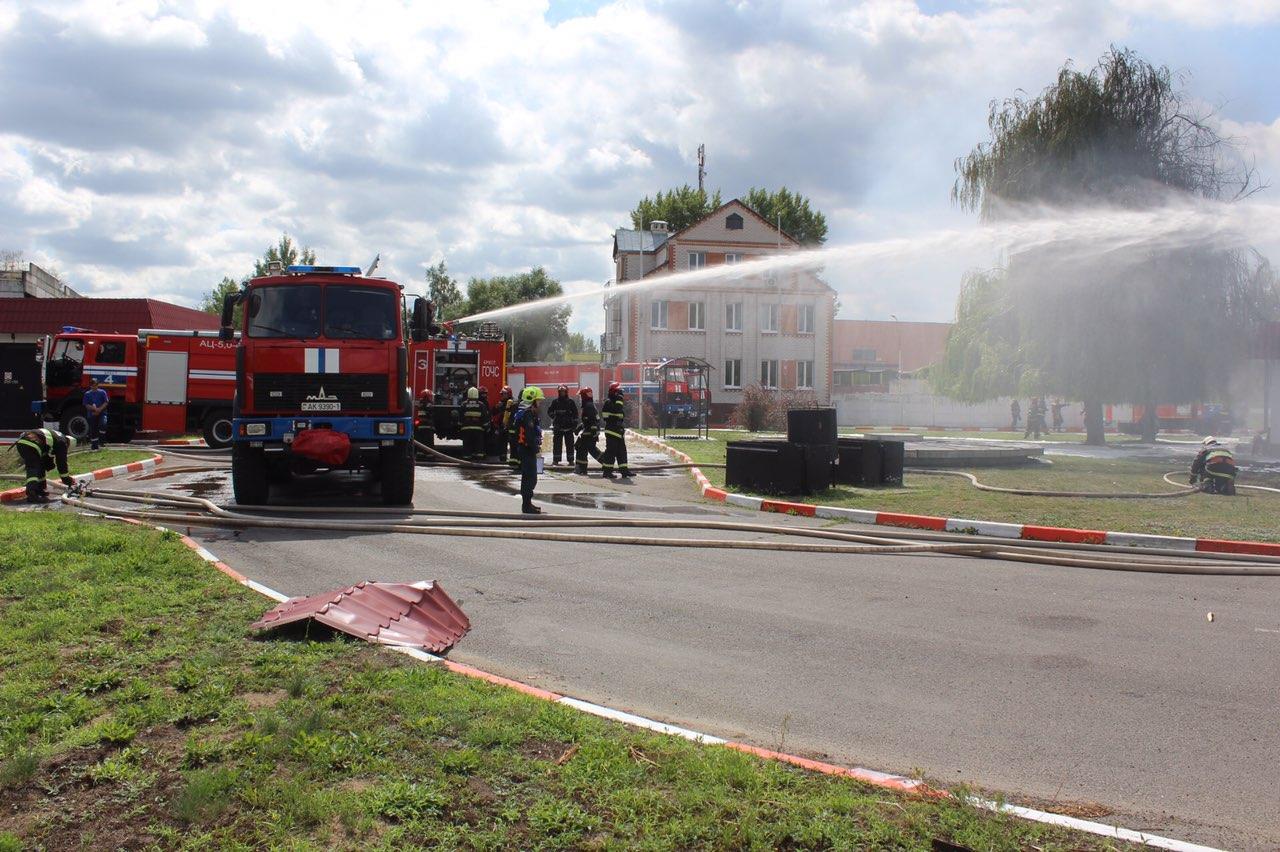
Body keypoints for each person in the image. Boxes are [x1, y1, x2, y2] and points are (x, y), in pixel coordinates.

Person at [14, 427, 76, 504]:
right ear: (68, 444)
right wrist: (67, 479)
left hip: (22, 442)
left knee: (40, 465)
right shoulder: (62, 442)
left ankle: (39, 490)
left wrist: (49, 464)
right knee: (33, 467)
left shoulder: (57, 437)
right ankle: (32, 494)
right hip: (32, 444)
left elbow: (46, 457)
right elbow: (61, 463)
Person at [514, 386, 545, 513]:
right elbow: (529, 434)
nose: (539, 404)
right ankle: (526, 506)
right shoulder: (527, 415)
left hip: (525, 449)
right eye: (538, 401)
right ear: (532, 401)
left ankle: (527, 504)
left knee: (529, 477)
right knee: (530, 478)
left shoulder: (525, 413)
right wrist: (536, 449)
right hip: (527, 449)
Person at [599, 381, 633, 479]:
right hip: (612, 431)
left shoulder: (617, 402)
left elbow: (620, 414)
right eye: (619, 391)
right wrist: (619, 400)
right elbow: (615, 411)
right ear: (615, 392)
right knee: (611, 452)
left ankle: (624, 471)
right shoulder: (609, 402)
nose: (621, 393)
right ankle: (607, 472)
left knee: (622, 452)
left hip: (618, 430)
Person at [546, 384, 579, 466]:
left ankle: (571, 461)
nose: (562, 393)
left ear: (566, 392)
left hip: (569, 427)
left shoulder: (571, 402)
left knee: (570, 445)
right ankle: (556, 460)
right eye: (561, 392)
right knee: (557, 445)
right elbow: (549, 411)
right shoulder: (555, 402)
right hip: (558, 427)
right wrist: (554, 417)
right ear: (558, 392)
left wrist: (574, 425)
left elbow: (575, 414)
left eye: (563, 391)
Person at [574, 386, 604, 475]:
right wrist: (579, 428)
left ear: (585, 396)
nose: (581, 398)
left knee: (583, 449)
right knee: (588, 449)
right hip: (589, 432)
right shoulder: (589, 405)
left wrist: (593, 431)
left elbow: (592, 420)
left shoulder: (588, 406)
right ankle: (582, 468)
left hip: (589, 433)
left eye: (582, 396)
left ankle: (581, 468)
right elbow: (587, 421)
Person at [458, 386, 488, 460]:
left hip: (466, 429)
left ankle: (466, 457)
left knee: (467, 444)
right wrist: (486, 427)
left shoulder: (464, 404)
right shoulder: (481, 404)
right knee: (479, 444)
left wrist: (459, 426)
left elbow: (460, 417)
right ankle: (479, 458)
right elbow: (484, 417)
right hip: (478, 429)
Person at [82, 378, 110, 451]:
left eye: (96, 385)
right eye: (93, 385)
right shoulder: (87, 394)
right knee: (93, 429)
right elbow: (86, 405)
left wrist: (99, 409)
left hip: (102, 412)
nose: (94, 387)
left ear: (98, 385)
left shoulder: (102, 392)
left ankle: (102, 440)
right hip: (92, 413)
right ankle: (94, 445)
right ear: (90, 386)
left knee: (103, 424)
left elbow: (106, 402)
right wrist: (94, 409)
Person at [492, 386, 513, 463]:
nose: (502, 396)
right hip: (502, 426)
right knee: (502, 444)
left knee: (512, 444)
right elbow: (493, 413)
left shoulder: (512, 403)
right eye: (502, 394)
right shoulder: (501, 403)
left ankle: (513, 460)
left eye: (504, 394)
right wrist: (496, 407)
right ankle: (502, 459)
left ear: (508, 394)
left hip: (510, 427)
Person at [504, 387, 521, 469]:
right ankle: (519, 463)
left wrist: (506, 424)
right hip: (518, 430)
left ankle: (512, 462)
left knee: (513, 446)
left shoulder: (513, 404)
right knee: (519, 446)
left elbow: (507, 416)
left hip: (511, 429)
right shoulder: (525, 407)